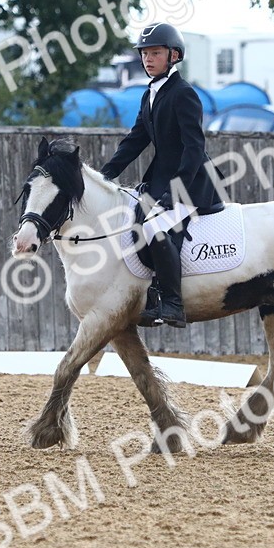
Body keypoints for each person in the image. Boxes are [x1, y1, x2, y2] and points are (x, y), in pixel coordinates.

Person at [100, 22, 223, 328]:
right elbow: (136, 139)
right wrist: (107, 173)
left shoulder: (184, 94)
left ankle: (173, 303)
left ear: (174, 55)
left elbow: (194, 148)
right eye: (144, 54)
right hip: (161, 180)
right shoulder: (149, 95)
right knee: (136, 221)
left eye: (155, 53)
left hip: (193, 182)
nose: (148, 59)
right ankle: (154, 293)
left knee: (154, 228)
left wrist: (176, 188)